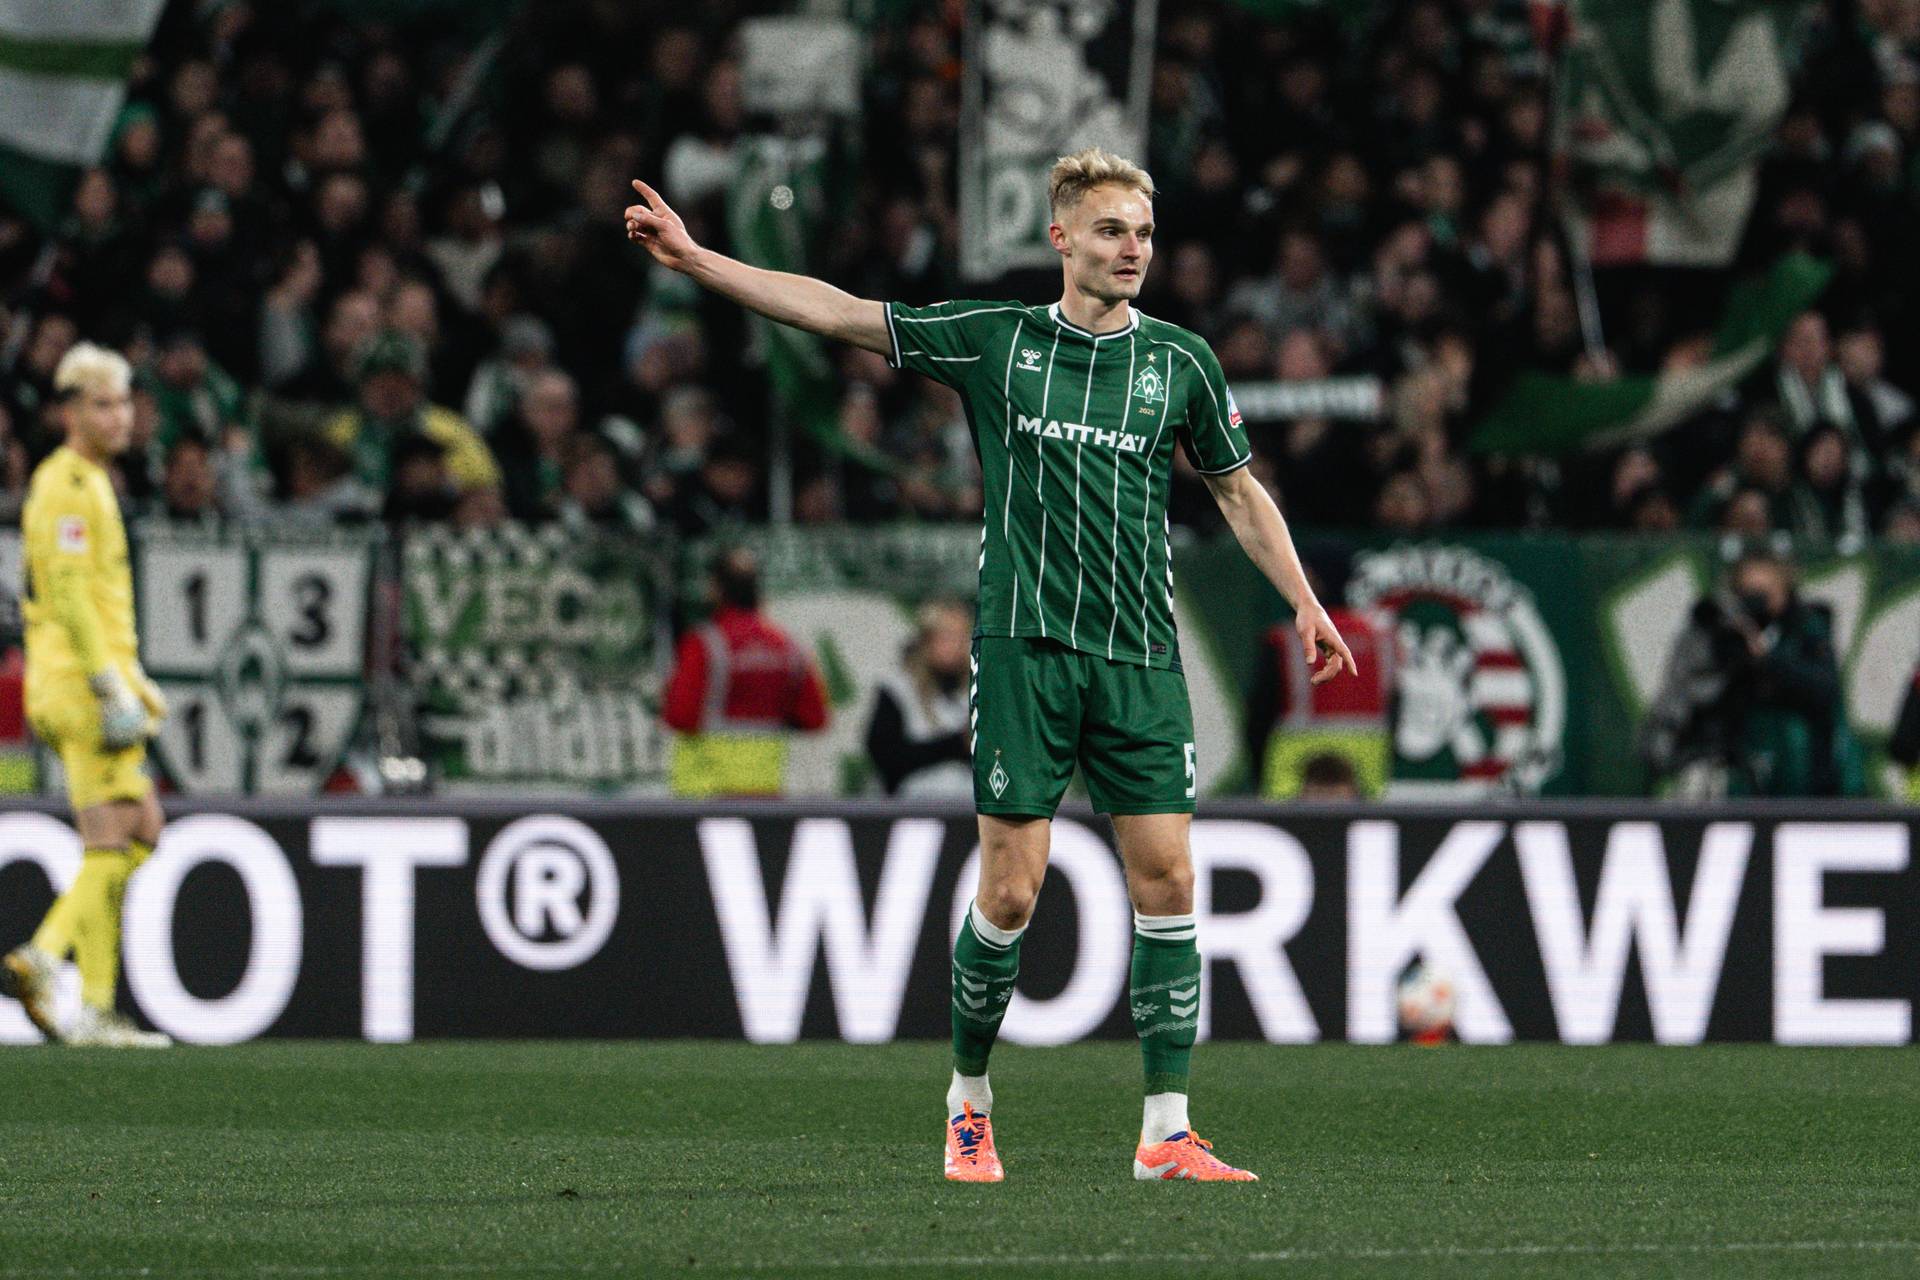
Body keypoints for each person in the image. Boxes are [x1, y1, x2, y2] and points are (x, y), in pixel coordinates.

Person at [625, 146, 1355, 1183]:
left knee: (1171, 879)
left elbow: (1238, 491)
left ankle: (1167, 1128)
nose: (1132, 249)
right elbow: (838, 312)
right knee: (1011, 892)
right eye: (1110, 231)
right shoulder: (997, 341)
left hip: (1142, 655)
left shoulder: (1182, 362)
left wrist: (1303, 597)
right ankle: (969, 1100)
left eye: (1143, 233)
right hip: (1026, 651)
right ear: (1061, 238)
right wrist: (701, 261)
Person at [0, 344, 171, 1047]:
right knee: (125, 837)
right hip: (83, 687)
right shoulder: (69, 483)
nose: (120, 416)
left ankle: (96, 1005)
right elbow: (69, 595)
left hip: (85, 679)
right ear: (70, 412)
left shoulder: (86, 481)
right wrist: (109, 685)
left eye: (125, 402)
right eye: (103, 403)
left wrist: (132, 676)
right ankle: (46, 956)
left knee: (130, 835)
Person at [1639, 550, 1862, 798]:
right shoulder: (1724, 632)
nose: (1758, 600)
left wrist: (1766, 659)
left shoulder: (1808, 628)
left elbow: (1823, 690)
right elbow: (1694, 690)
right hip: (1741, 774)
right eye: (1749, 591)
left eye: (1766, 590)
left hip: (1804, 774)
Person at [660, 547, 829, 796]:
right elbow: (815, 718)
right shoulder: (787, 647)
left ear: (715, 588)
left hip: (704, 794)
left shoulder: (705, 644)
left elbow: (680, 715)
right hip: (764, 791)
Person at [866, 600, 973, 797]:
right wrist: (957, 744)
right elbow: (887, 758)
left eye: (961, 637)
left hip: (967, 809)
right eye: (946, 637)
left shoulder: (975, 691)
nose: (955, 646)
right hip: (912, 811)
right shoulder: (897, 691)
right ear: (927, 639)